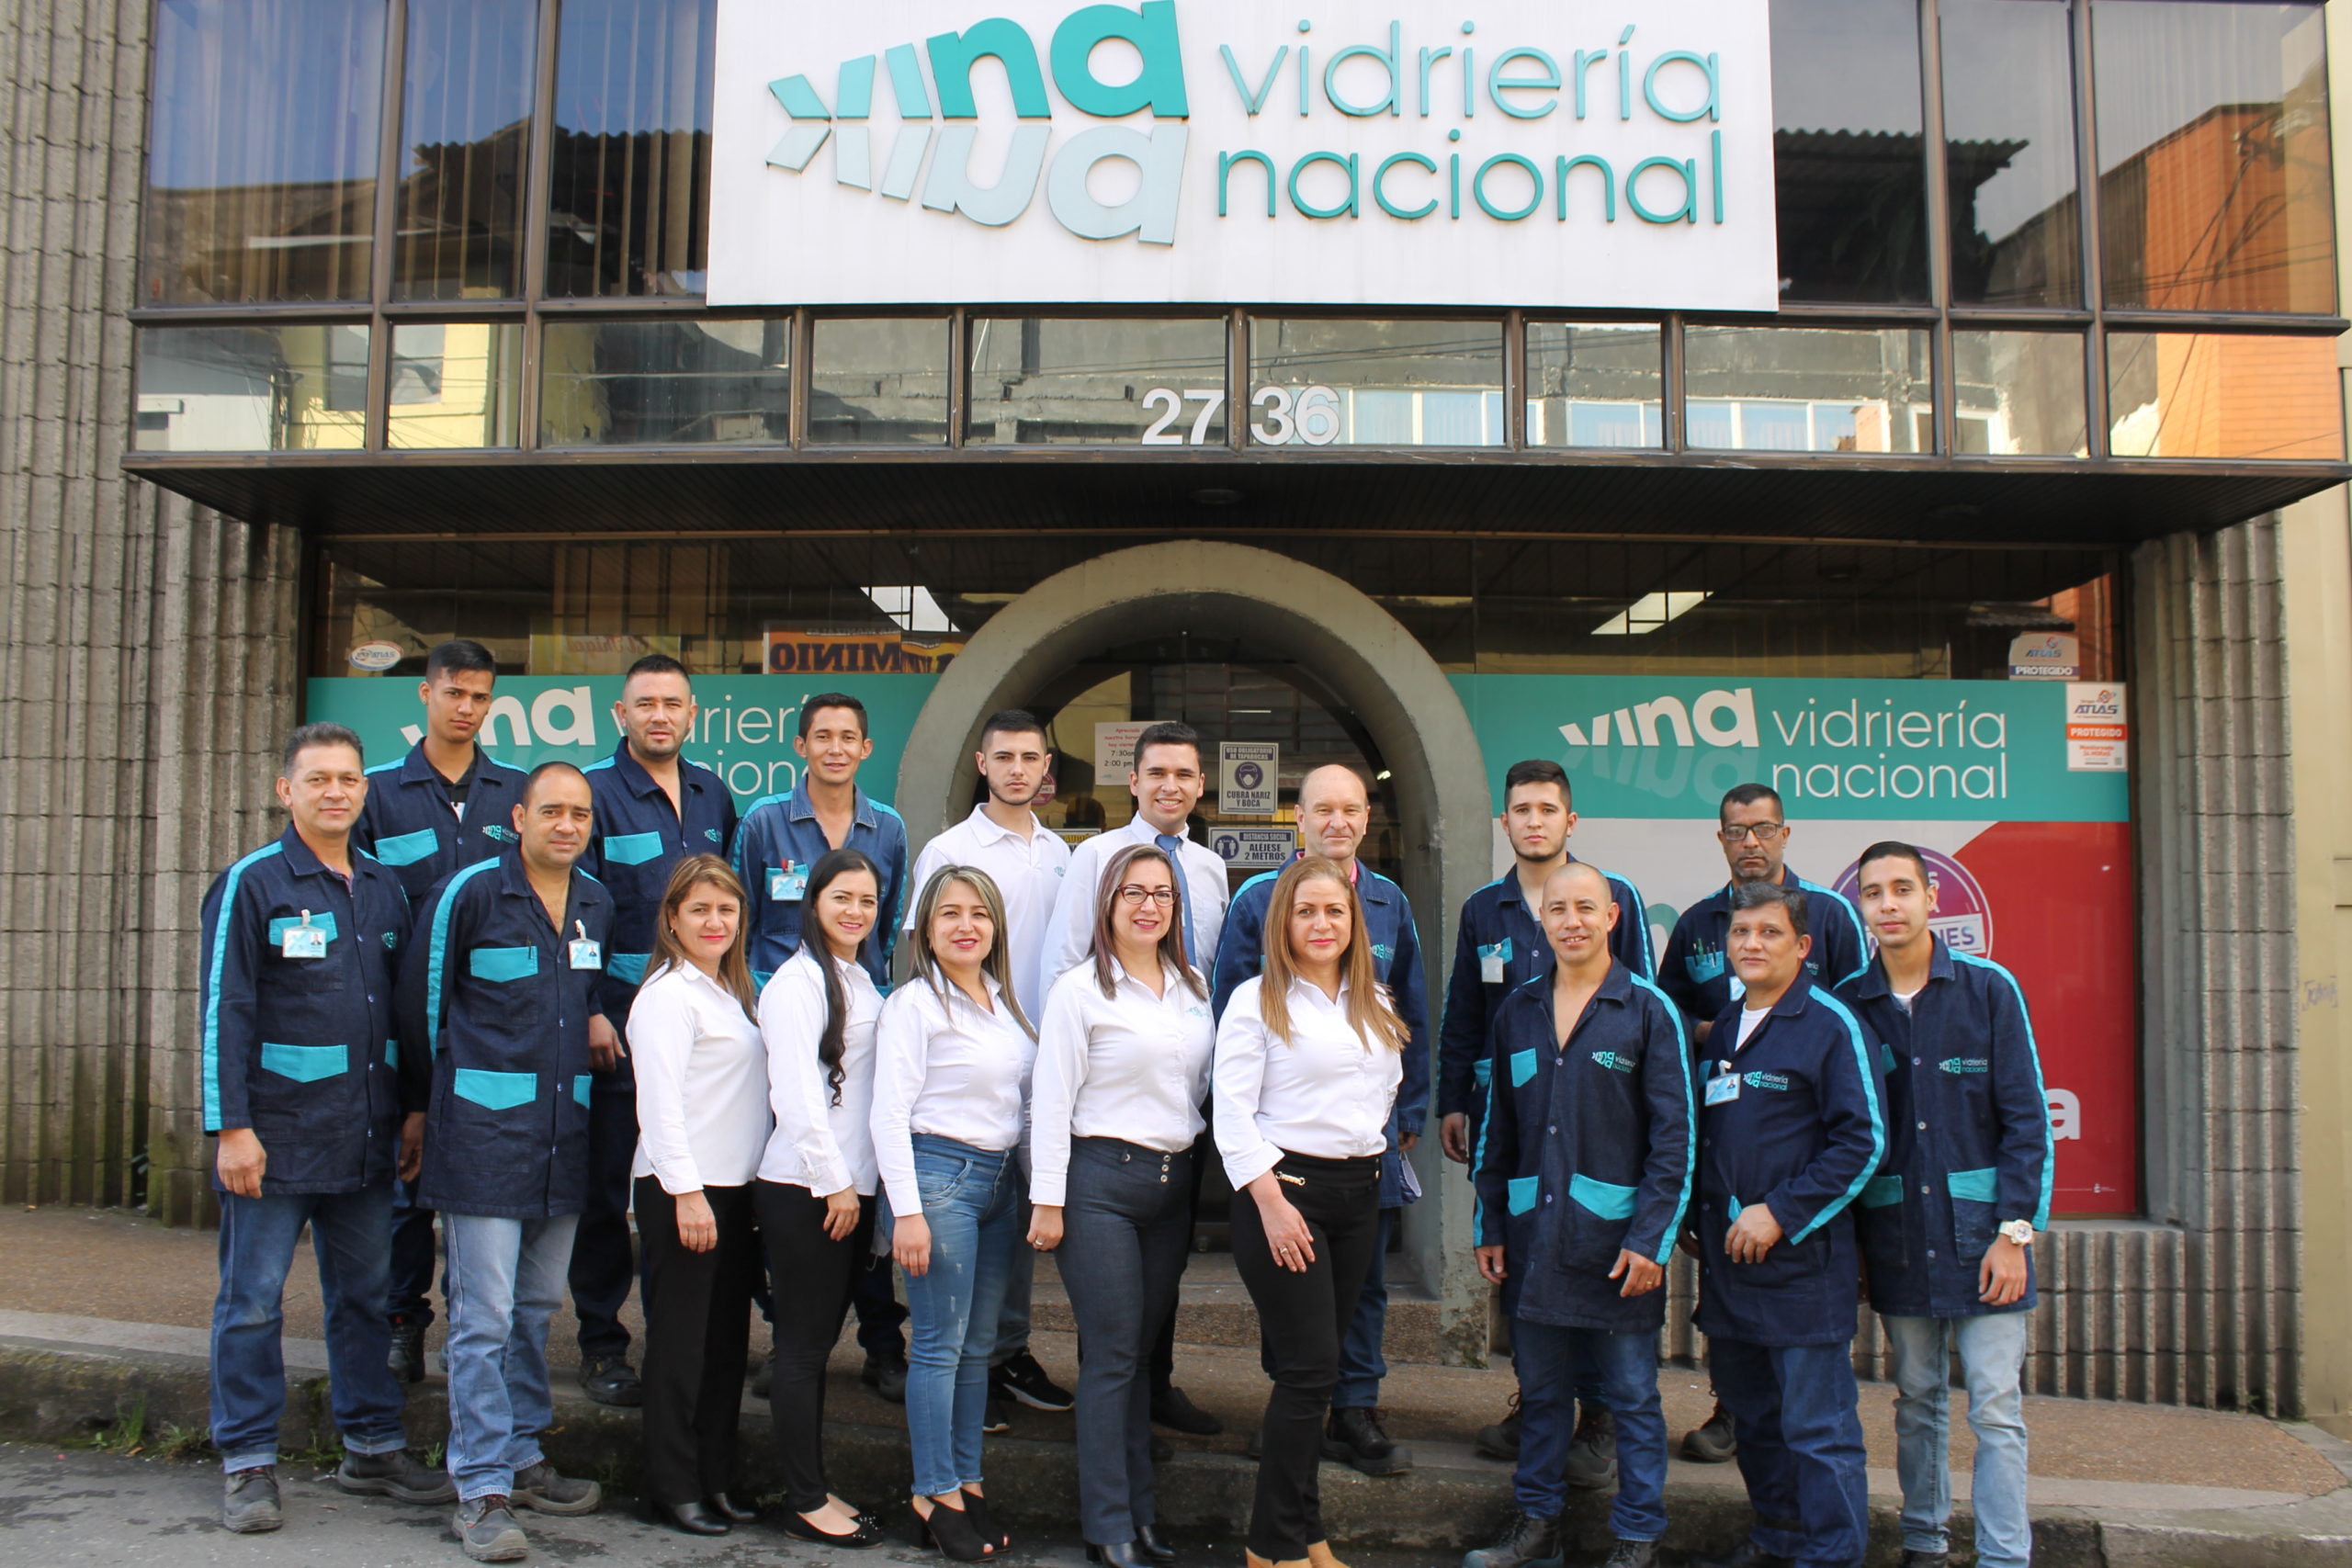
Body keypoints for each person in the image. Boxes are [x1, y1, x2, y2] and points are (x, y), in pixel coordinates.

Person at [200, 723, 453, 1534]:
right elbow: (225, 1009)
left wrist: (413, 1109)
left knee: (364, 1300)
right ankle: (247, 1460)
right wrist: (231, 1127)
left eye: (348, 778)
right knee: (251, 1302)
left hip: (366, 1136)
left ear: (364, 790)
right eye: (318, 779)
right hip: (272, 1139)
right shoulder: (253, 882)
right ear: (287, 790)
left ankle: (372, 1445)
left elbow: (405, 1012)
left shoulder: (384, 888)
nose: (336, 792)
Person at [397, 761, 610, 1562]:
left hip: (563, 1140)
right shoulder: (470, 894)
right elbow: (419, 1008)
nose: (566, 824)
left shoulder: (596, 901)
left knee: (534, 1308)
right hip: (482, 1140)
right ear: (519, 817)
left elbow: (580, 991)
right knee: (481, 1318)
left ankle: (521, 1452)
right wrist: (420, 1106)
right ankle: (481, 1486)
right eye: (551, 810)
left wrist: (594, 1014)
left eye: (579, 813)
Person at [1464, 863, 1693, 1568]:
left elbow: (1676, 1141)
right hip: (1535, 1240)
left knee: (1631, 1396)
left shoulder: (1648, 1010)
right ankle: (1538, 1526)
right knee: (1541, 1393)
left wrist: (1652, 1240)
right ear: (1543, 920)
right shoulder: (1518, 1010)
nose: (1571, 920)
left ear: (1612, 916)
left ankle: (1638, 1534)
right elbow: (1496, 1131)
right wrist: (1490, 1223)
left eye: (1586, 907)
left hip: (1618, 1248)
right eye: (1558, 909)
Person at [1837, 842, 2051, 1568]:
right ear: (1862, 907)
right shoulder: (1850, 1005)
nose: (1889, 903)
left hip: (1987, 1241)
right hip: (1898, 1237)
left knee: (1996, 1407)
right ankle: (1924, 1543)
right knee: (1917, 1397)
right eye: (1874, 892)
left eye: (1903, 888)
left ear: (1932, 897)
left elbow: (2027, 1122)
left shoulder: (1989, 989)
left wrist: (2014, 1234)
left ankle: (2004, 1556)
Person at [1211, 764, 1429, 1476]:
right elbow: (1233, 1006)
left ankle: (1355, 1408)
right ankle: (1295, 1404)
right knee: (1294, 1281)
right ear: (1298, 818)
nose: (1338, 821)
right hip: (1286, 1145)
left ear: (1367, 818)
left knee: (1363, 1283)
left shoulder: (1390, 900)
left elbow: (1411, 1008)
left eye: (1351, 809)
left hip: (1367, 1137)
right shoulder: (1259, 897)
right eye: (1322, 809)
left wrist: (1410, 1108)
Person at [1435, 759, 1647, 1472]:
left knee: (1597, 1252)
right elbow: (1465, 1009)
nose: (1534, 821)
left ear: (1570, 820)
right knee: (1523, 1256)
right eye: (1522, 809)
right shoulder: (1482, 909)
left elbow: (1642, 1004)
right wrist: (1454, 1098)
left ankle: (1602, 1416)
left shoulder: (1612, 894)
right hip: (1513, 1117)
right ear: (1505, 821)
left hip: (1599, 1112)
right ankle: (1538, 1401)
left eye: (1547, 809)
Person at [1658, 781, 1864, 1464]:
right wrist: (1717, 1029)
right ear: (1720, 839)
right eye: (1736, 830)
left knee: (1812, 1404)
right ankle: (1731, 1413)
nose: (1750, 842)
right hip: (1725, 1146)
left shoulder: (1829, 915)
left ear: (1784, 834)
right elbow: (1666, 1015)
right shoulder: (1696, 923)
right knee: (1737, 1333)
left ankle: (1814, 1498)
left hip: (1803, 1163)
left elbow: (1858, 1017)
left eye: (1763, 828)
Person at [1028, 843, 1215, 1567]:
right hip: (1100, 1183)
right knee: (1110, 1355)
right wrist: (1048, 1199)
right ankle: (1107, 1526)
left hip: (1172, 1186)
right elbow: (1051, 1100)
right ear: (1107, 903)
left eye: (1162, 893)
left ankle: (1141, 1515)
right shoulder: (1079, 991)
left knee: (1139, 1355)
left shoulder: (1192, 985)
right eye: (1133, 892)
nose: (1148, 905)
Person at [1689, 883, 1884, 1568]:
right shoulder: (1725, 1025)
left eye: (1769, 933)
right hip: (1731, 1269)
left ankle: (1831, 1556)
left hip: (1802, 1270)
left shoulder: (1831, 1024)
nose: (1752, 944)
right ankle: (1777, 1540)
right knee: (1757, 1420)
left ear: (1801, 946)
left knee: (1818, 1429)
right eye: (1741, 932)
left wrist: (1781, 1211)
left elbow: (1863, 1141)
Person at [1046, 720, 1229, 1438]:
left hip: (1180, 1090)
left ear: (1200, 784)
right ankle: (1115, 1405)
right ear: (1134, 780)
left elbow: (1203, 975)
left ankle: (1156, 1386)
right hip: (1111, 1091)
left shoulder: (1209, 869)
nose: (1170, 786)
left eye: (1183, 774)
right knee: (1112, 1293)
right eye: (1157, 772)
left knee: (1163, 1269)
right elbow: (1064, 962)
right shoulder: (1095, 856)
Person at [355, 638, 529, 1386]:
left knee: (478, 1178)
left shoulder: (515, 792)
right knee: (405, 1177)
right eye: (454, 692)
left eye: (480, 696)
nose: (467, 707)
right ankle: (401, 1321)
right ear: (425, 694)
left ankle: (475, 1323)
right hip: (400, 1017)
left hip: (492, 1020)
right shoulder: (377, 793)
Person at [733, 692, 911, 1403]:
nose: (835, 748)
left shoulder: (887, 827)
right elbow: (743, 921)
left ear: (866, 748)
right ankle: (791, 1337)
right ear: (800, 745)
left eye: (848, 737)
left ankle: (881, 1341)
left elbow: (884, 927)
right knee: (789, 1186)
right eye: (822, 736)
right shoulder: (763, 821)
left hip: (857, 1025)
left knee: (863, 1177)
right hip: (780, 1020)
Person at [573, 654, 740, 1406]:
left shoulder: (713, 793)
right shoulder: (594, 794)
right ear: (622, 714)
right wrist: (589, 1006)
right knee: (611, 1191)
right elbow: (575, 907)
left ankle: (680, 1340)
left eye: (673, 702)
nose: (660, 715)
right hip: (618, 1028)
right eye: (645, 703)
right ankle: (602, 1342)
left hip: (701, 1031)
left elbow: (723, 908)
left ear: (692, 713)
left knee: (690, 1187)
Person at [905, 709, 1075, 1425]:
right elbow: (921, 949)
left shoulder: (1064, 853)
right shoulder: (948, 849)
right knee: (967, 1229)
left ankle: (1005, 1351)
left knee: (1022, 1211)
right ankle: (968, 1366)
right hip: (969, 1059)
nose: (1016, 769)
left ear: (1045, 769)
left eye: (1029, 757)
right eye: (1004, 756)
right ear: (981, 763)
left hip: (1042, 1057)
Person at [874, 866, 1037, 1562]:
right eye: (949, 913)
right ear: (925, 930)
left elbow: (1022, 1106)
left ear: (996, 925)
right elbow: (888, 1113)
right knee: (941, 1344)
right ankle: (932, 1489)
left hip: (999, 1185)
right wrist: (905, 1212)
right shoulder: (914, 1005)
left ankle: (966, 1481)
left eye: (979, 913)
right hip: (938, 1179)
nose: (966, 925)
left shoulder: (1003, 1002)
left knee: (978, 1346)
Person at [628, 856, 770, 1538]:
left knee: (724, 1347)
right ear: (672, 919)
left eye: (726, 910)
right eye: (700, 910)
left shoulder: (731, 990)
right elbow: (659, 1108)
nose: (715, 922)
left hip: (734, 1190)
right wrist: (686, 1193)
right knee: (681, 1346)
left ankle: (715, 1476)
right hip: (683, 1188)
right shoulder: (667, 996)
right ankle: (671, 1486)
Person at [755, 846, 890, 1548]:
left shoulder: (858, 976)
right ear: (813, 902)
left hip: (849, 1190)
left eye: (867, 900)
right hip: (807, 1189)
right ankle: (804, 1499)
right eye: (842, 897)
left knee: (816, 1345)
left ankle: (812, 1484)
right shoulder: (797, 982)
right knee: (802, 1349)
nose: (855, 911)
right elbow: (796, 1093)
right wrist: (833, 1180)